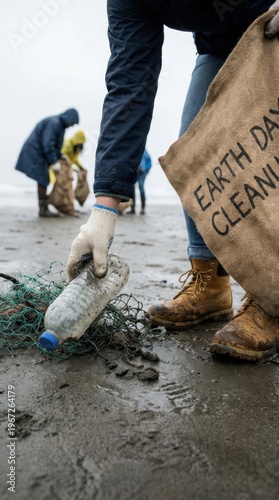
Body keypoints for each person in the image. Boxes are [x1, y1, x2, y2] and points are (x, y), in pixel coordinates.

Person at [67, 2, 279, 362]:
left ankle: (270, 296)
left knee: (267, 152)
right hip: (218, 46)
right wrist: (103, 211)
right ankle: (210, 285)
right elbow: (129, 85)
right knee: (195, 151)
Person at [15, 108, 79, 217]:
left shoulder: (59, 125)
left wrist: (61, 156)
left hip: (39, 153)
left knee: (43, 179)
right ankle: (43, 210)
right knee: (42, 178)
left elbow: (54, 146)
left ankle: (44, 208)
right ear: (69, 118)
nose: (71, 126)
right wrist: (54, 162)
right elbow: (48, 144)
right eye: (72, 123)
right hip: (34, 152)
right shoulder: (54, 123)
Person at [129, 148, 152, 215]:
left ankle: (143, 208)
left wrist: (145, 170)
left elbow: (149, 162)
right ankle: (132, 208)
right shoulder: (133, 150)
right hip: (135, 172)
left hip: (142, 173)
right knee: (132, 188)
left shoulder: (145, 151)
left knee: (141, 186)